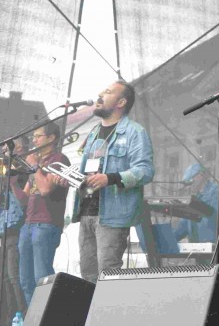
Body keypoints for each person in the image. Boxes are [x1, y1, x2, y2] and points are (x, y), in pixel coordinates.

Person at [57, 81, 155, 283]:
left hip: (112, 215)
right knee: (88, 275)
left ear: (121, 102)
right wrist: (71, 179)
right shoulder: (94, 132)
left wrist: (110, 178)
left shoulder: (135, 132)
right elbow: (88, 172)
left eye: (108, 92)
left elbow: (145, 171)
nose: (100, 94)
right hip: (86, 212)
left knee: (108, 273)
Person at [17, 123, 70, 305]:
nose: (34, 140)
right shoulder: (37, 162)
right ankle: (34, 318)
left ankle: (48, 317)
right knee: (25, 280)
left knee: (42, 278)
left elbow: (45, 189)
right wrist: (12, 183)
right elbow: (24, 198)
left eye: (38, 136)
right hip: (28, 224)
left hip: (46, 224)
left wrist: (34, 166)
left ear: (51, 138)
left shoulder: (59, 159)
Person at [1, 138, 30, 326]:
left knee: (14, 277)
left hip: (17, 230)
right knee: (5, 279)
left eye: (10, 148)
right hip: (3, 231)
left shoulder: (26, 169)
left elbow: (24, 200)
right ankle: (10, 322)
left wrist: (12, 182)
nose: (6, 152)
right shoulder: (5, 169)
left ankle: (23, 320)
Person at [172, 163, 219, 245]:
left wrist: (194, 205)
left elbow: (215, 217)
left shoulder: (216, 191)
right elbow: (183, 226)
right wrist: (167, 239)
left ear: (201, 175)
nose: (189, 186)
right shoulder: (195, 198)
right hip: (198, 247)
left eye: (190, 180)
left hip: (217, 246)